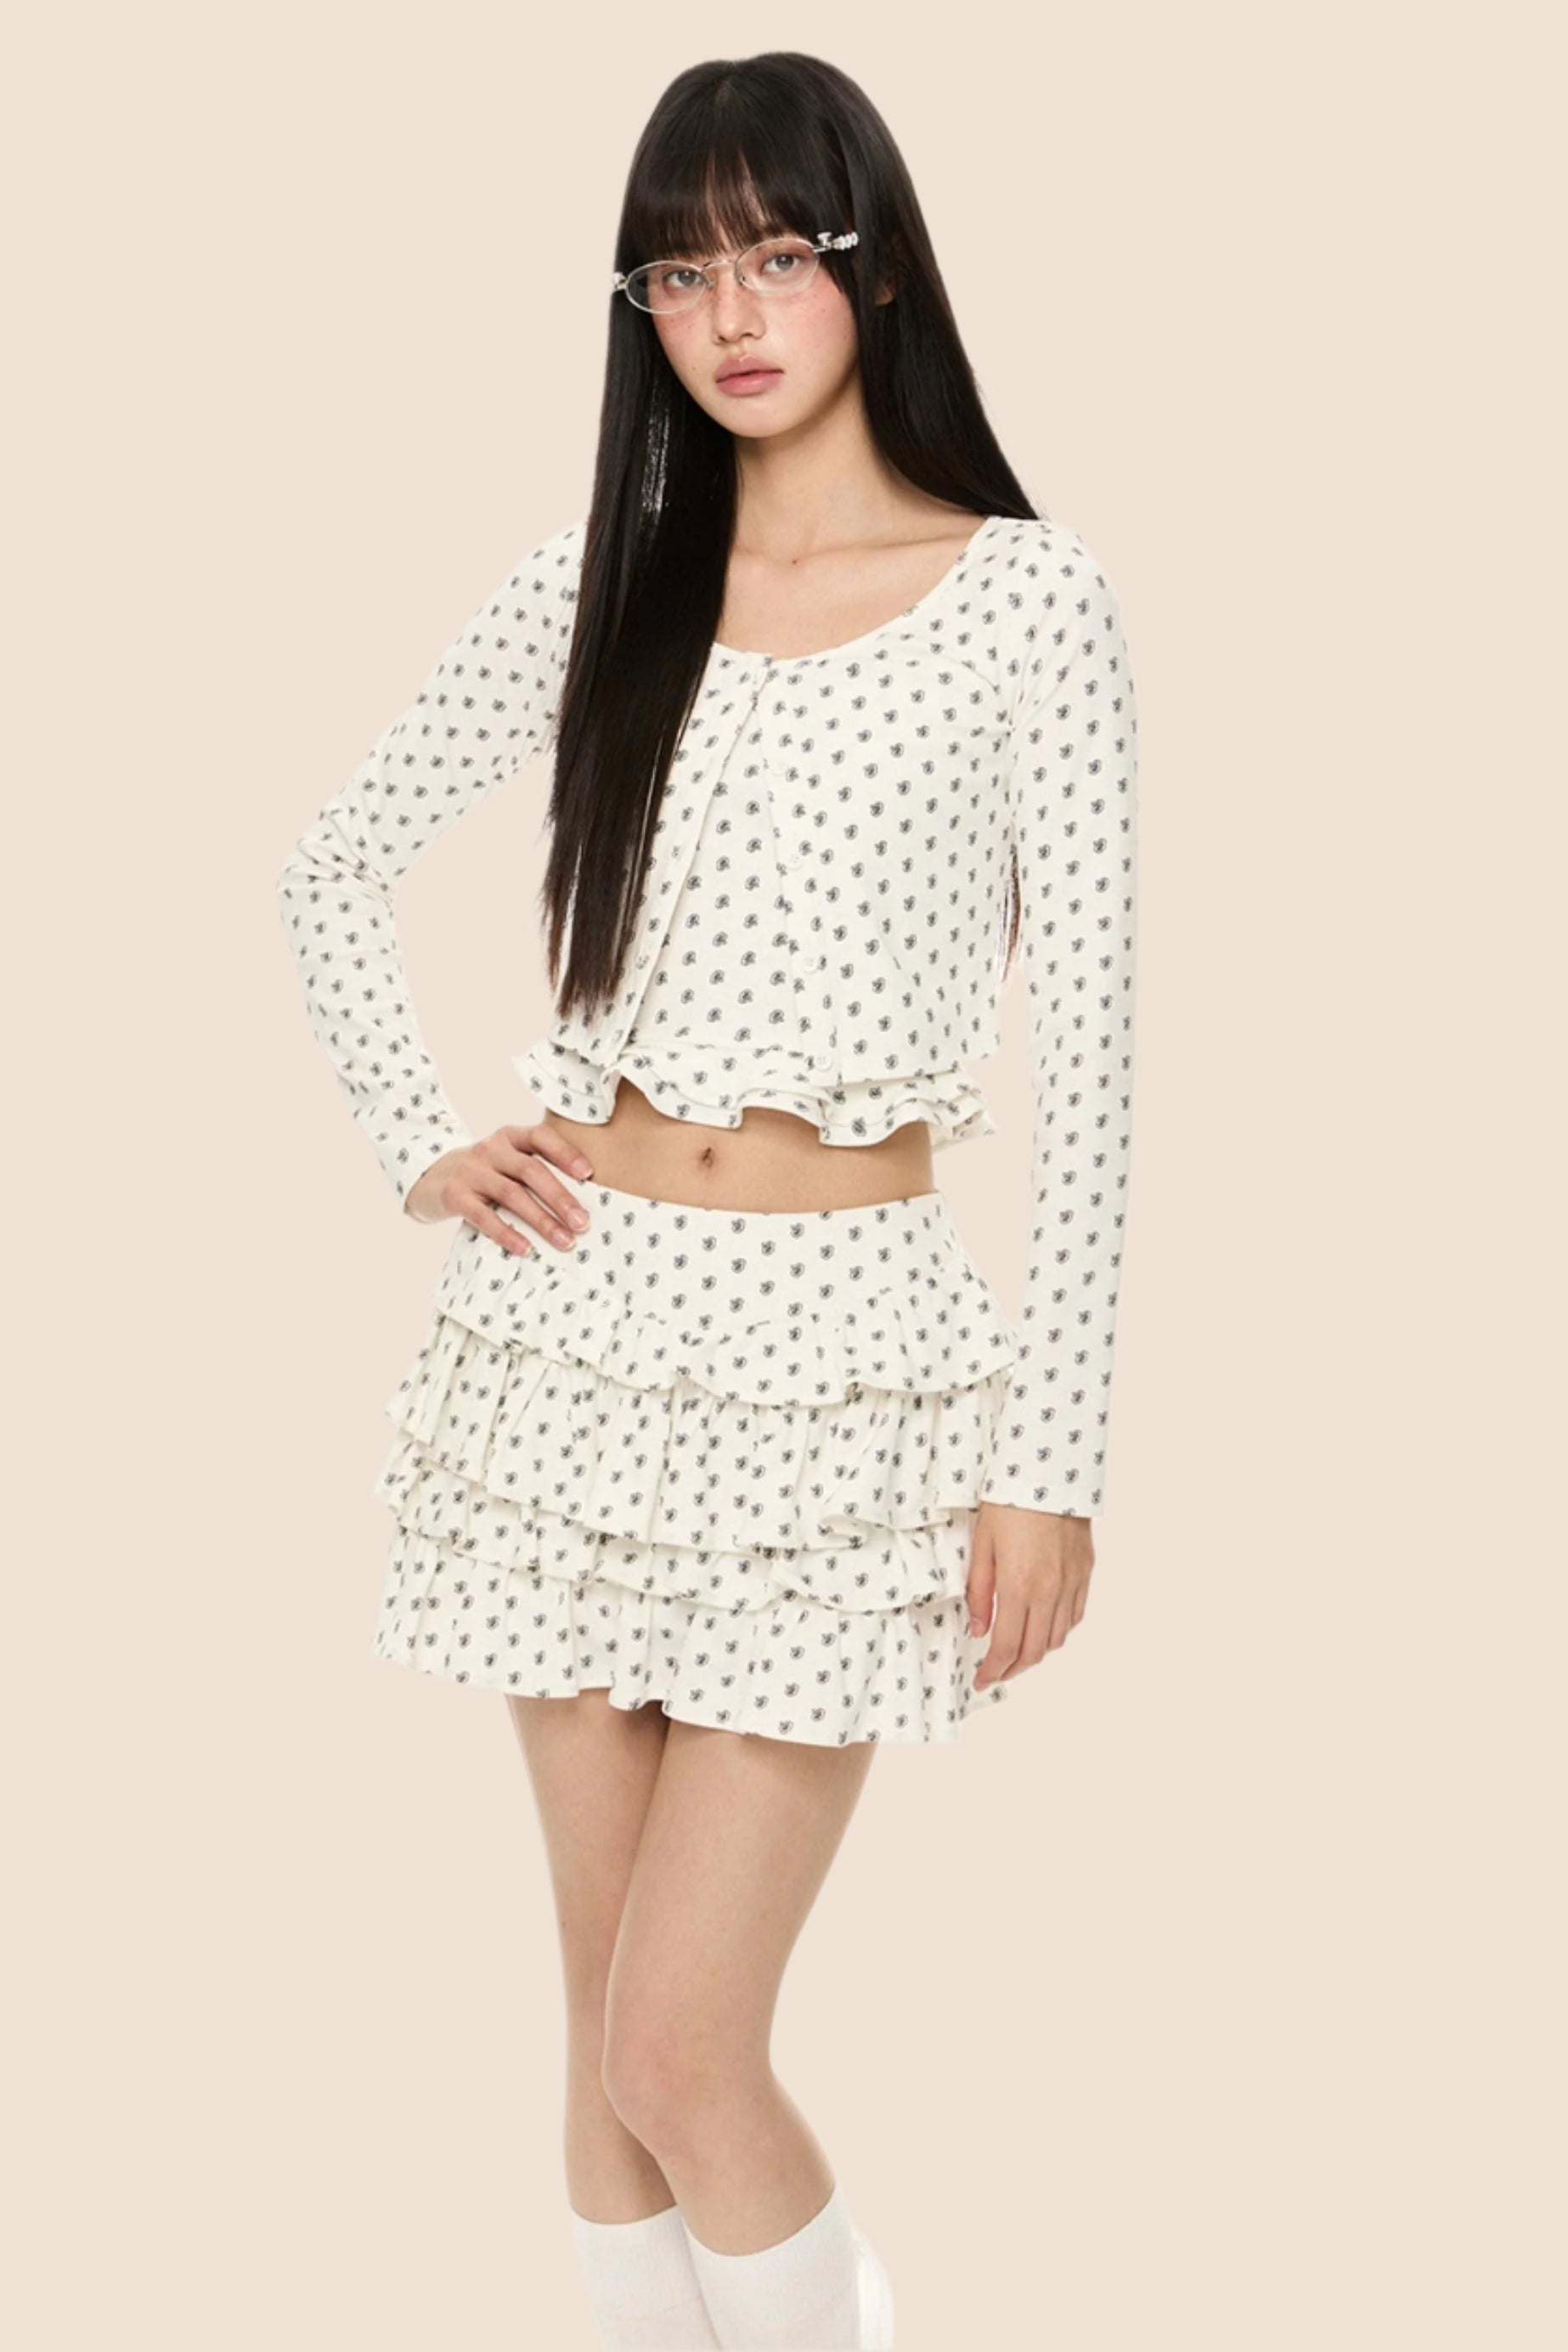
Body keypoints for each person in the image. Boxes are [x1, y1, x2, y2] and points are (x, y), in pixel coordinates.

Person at [275, 49, 1138, 2352]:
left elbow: (1099, 1064)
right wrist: (421, 1140)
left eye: (776, 253)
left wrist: (1050, 1464)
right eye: (678, 269)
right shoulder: (603, 584)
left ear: (878, 269)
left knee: (682, 2039)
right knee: (603, 2045)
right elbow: (331, 867)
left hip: (841, 1363)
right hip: (572, 1336)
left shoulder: (1026, 603)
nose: (728, 311)